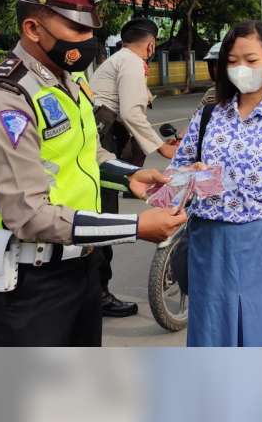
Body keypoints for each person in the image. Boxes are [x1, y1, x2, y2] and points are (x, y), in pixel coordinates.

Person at [0, 0, 187, 346]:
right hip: (28, 281)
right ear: (33, 29)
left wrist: (129, 176)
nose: (89, 40)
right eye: (76, 30)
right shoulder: (3, 100)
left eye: (91, 30)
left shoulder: (69, 84)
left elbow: (87, 154)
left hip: (81, 268)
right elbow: (29, 215)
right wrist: (135, 228)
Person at [169, 20, 262, 347]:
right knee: (211, 328)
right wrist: (201, 180)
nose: (241, 68)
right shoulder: (208, 116)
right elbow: (174, 177)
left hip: (259, 241)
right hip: (208, 241)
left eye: (251, 60)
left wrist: (253, 198)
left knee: (260, 327)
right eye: (232, 61)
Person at [89, 16, 180, 317]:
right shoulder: (129, 61)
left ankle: (94, 292)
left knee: (97, 215)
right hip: (103, 147)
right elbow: (130, 111)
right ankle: (98, 295)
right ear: (151, 44)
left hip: (98, 142)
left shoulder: (119, 59)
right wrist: (161, 146)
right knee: (102, 219)